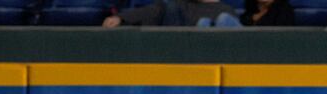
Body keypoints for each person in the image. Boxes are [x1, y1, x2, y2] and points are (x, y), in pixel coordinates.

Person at [102, 0, 241, 28]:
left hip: (221, 60)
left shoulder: (227, 11)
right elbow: (150, 11)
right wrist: (120, 18)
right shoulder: (178, 5)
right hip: (188, 60)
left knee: (223, 20)